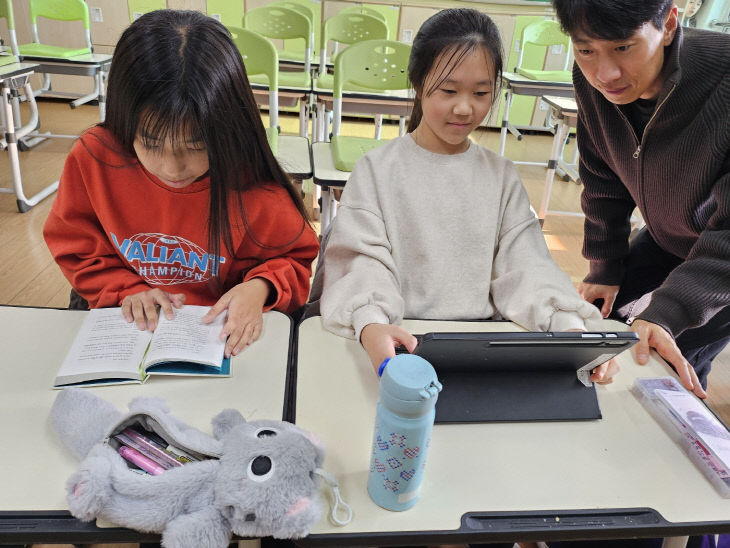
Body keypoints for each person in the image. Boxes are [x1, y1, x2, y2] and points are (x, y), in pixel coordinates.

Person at [319, 8, 616, 384]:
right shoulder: (378, 169)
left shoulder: (501, 176)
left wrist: (570, 327)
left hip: (483, 351)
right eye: (448, 90)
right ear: (417, 81)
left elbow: (527, 267)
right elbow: (364, 263)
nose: (464, 108)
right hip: (397, 342)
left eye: (480, 93)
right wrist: (371, 323)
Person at [43, 10, 319, 358]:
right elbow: (75, 245)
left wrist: (259, 288)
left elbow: (294, 260)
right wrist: (124, 289)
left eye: (197, 146)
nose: (171, 168)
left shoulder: (255, 187)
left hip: (216, 337)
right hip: (124, 324)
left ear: (229, 127)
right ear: (123, 121)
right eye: (150, 143)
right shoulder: (94, 158)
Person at [551, 0, 730, 398]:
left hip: (723, 252)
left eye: (623, 47)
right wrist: (605, 267)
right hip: (671, 234)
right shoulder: (594, 82)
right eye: (585, 50)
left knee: (667, 355)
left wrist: (666, 315)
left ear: (667, 24)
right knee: (605, 331)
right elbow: (602, 179)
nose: (604, 74)